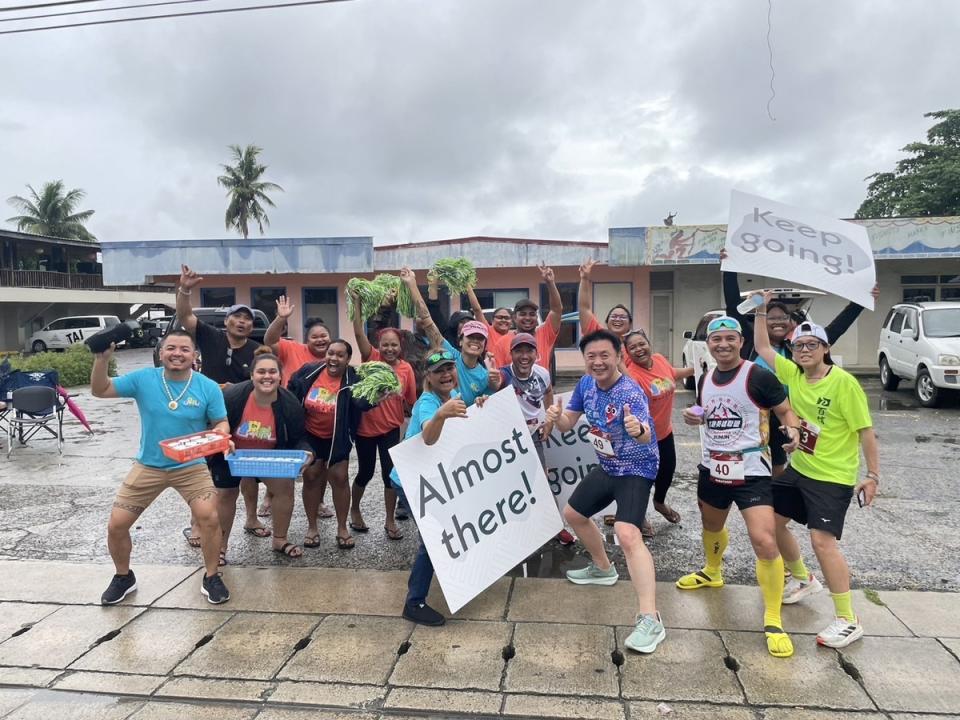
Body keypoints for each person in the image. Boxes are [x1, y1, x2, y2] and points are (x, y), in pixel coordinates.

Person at [754, 299, 879, 648]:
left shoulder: (844, 384)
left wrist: (873, 476)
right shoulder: (793, 373)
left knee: (822, 541)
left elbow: (866, 431)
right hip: (800, 470)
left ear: (825, 349)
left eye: (812, 345)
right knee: (771, 522)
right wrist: (762, 309)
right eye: (798, 346)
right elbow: (762, 346)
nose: (804, 350)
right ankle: (803, 578)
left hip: (833, 477)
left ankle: (847, 619)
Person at [678, 316, 801, 658]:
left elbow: (785, 411)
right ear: (709, 345)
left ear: (741, 342)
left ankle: (773, 617)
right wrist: (696, 416)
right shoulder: (705, 377)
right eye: (716, 340)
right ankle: (712, 571)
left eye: (730, 339)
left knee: (764, 539)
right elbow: (710, 411)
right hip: (714, 467)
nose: (723, 345)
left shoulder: (757, 375)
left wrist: (792, 431)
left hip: (751, 471)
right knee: (711, 526)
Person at [545, 329, 664, 654]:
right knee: (573, 514)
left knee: (627, 534)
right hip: (609, 466)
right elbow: (570, 422)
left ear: (618, 357)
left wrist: (636, 429)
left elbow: (643, 434)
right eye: (591, 357)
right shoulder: (585, 384)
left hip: (637, 468)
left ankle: (650, 618)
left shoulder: (631, 392)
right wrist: (556, 418)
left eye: (604, 356)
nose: (598, 362)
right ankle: (602, 568)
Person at [91, 331, 231, 605]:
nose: (177, 353)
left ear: (194, 356)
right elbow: (100, 390)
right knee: (117, 525)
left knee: (209, 518)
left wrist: (222, 438)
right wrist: (101, 360)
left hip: (191, 464)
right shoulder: (144, 379)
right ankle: (123, 577)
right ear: (161, 353)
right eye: (171, 348)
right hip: (149, 465)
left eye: (184, 349)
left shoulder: (207, 386)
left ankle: (212, 576)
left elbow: (220, 422)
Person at [721, 254, 880, 476]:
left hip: (784, 412)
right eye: (772, 318)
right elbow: (732, 305)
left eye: (783, 318)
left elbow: (837, 328)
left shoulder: (798, 348)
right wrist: (729, 268)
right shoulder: (751, 341)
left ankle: (775, 493)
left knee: (779, 460)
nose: (778, 322)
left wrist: (859, 302)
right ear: (762, 321)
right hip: (752, 412)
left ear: (791, 322)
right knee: (749, 458)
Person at [176, 265, 267, 546]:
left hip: (243, 419)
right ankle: (196, 524)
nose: (242, 322)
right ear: (227, 321)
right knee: (203, 473)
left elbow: (262, 379)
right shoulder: (210, 335)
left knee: (248, 472)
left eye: (247, 320)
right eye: (237, 317)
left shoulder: (256, 349)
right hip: (208, 418)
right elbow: (185, 316)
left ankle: (251, 518)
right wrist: (185, 289)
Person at [208, 350, 314, 561]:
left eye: (272, 372)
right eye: (261, 372)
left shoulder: (290, 404)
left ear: (280, 375)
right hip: (231, 453)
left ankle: (280, 539)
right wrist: (219, 441)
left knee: (285, 486)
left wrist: (308, 452)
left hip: (269, 455)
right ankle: (220, 547)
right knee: (226, 494)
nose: (267, 376)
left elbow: (299, 437)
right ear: (252, 376)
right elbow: (212, 423)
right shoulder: (233, 397)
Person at [391, 349, 469, 626]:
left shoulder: (452, 398)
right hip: (408, 480)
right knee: (434, 539)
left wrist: (479, 404)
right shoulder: (427, 402)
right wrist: (439, 416)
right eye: (439, 371)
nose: (446, 374)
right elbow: (428, 437)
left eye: (450, 368)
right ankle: (414, 602)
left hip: (430, 479)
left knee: (446, 530)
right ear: (429, 376)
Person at [350, 291, 418, 540]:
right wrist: (357, 304)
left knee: (390, 476)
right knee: (365, 473)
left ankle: (390, 521)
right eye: (385, 344)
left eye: (394, 345)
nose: (389, 349)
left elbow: (411, 400)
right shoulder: (371, 359)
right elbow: (358, 332)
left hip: (391, 429)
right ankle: (354, 510)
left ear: (401, 347)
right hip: (365, 430)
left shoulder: (406, 368)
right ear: (379, 346)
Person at [288, 339, 367, 550]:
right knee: (311, 477)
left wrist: (377, 396)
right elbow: (291, 390)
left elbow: (363, 403)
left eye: (340, 355)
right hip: (310, 435)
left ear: (348, 359)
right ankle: (312, 527)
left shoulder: (354, 378)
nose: (334, 358)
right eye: (331, 353)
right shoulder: (309, 371)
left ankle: (342, 528)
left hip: (338, 437)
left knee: (340, 478)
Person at [622, 328, 694, 536]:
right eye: (632, 347)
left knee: (666, 472)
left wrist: (696, 369)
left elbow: (671, 374)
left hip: (665, 432)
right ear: (627, 353)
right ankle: (638, 515)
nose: (638, 349)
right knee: (643, 479)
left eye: (641, 344)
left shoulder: (660, 359)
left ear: (649, 343)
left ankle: (659, 503)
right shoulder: (633, 376)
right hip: (642, 438)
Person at [400, 267, 500, 405]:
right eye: (470, 337)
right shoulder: (450, 355)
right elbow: (427, 320)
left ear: (484, 345)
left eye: (480, 338)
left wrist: (486, 395)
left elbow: (487, 406)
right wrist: (412, 284)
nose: (475, 341)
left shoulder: (485, 375)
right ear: (460, 341)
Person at [489, 263, 563, 369]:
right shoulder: (502, 343)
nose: (528, 318)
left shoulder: (544, 334)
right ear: (514, 318)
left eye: (532, 314)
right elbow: (499, 376)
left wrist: (550, 283)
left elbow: (557, 310)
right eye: (523, 314)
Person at [263, 296, 332, 385]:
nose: (320, 340)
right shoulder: (293, 349)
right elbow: (270, 341)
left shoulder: (335, 357)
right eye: (314, 337)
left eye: (323, 336)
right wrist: (281, 318)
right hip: (292, 398)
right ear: (306, 341)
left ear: (330, 338)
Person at [577, 257, 633, 343]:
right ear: (607, 323)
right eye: (614, 316)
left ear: (630, 324)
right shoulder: (598, 336)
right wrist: (584, 279)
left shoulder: (635, 346)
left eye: (622, 317)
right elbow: (584, 308)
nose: (617, 319)